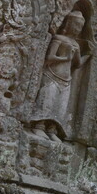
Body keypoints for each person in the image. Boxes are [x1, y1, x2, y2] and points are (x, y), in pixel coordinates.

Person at [31, 10, 88, 141]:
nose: (78, 29)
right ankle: (39, 126)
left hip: (66, 79)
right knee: (47, 102)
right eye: (76, 25)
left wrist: (88, 56)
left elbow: (77, 64)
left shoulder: (76, 44)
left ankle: (52, 130)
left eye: (80, 26)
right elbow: (49, 57)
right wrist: (65, 58)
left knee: (60, 107)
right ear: (69, 23)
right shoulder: (58, 39)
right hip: (52, 75)